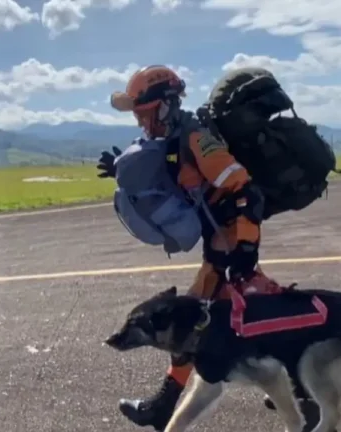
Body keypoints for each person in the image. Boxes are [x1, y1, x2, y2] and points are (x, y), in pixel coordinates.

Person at [97, 65, 271, 430]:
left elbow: (244, 189)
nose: (141, 122)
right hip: (219, 240)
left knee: (198, 319)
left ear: (164, 105)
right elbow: (175, 181)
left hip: (230, 240)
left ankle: (163, 408)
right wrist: (121, 170)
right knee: (247, 311)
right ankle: (297, 384)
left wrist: (243, 249)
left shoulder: (197, 137)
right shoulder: (174, 136)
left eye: (144, 113)